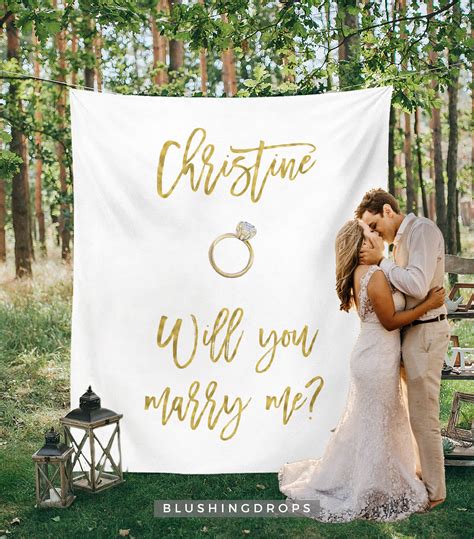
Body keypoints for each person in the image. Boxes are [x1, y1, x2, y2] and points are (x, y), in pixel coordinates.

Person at [278, 218, 446, 523]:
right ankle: (367, 487)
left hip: (373, 356)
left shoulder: (365, 273)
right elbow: (391, 321)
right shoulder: (373, 275)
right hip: (376, 359)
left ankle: (371, 480)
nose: (377, 234)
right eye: (371, 232)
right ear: (363, 243)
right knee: (377, 426)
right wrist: (430, 303)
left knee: (372, 424)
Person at [356, 188, 450, 510]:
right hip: (411, 334)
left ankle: (435, 493)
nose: (372, 233)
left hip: (425, 333)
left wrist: (382, 262)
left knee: (424, 417)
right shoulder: (400, 244)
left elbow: (417, 285)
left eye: (373, 225)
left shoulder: (421, 230)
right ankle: (424, 481)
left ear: (387, 210)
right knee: (415, 416)